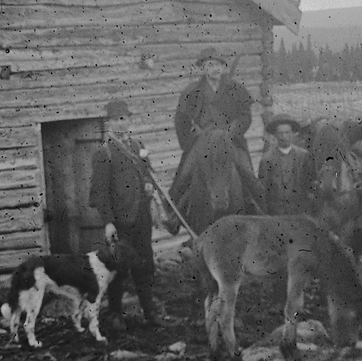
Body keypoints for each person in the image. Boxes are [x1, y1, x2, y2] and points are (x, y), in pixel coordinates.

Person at [166, 47, 263, 228]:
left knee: (248, 174)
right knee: (184, 175)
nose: (215, 68)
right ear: (203, 68)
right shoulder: (192, 91)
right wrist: (189, 140)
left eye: (218, 64)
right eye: (210, 65)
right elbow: (181, 120)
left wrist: (232, 131)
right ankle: (173, 216)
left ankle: (261, 211)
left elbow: (245, 116)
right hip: (203, 141)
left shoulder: (236, 88)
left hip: (230, 139)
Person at [88, 98, 162, 326]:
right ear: (108, 123)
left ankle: (150, 312)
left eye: (124, 119)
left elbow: (148, 173)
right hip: (120, 220)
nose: (121, 124)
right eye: (115, 120)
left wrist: (149, 186)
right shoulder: (104, 152)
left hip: (141, 217)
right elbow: (99, 192)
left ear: (129, 120)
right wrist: (108, 222)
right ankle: (115, 314)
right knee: (118, 267)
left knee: (146, 263)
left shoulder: (138, 146)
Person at [258, 114, 316, 216]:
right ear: (275, 135)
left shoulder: (303, 156)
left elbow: (310, 182)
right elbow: (263, 189)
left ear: (293, 134)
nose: (284, 136)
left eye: (287, 132)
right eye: (280, 133)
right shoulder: (267, 159)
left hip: (300, 210)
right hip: (277, 212)